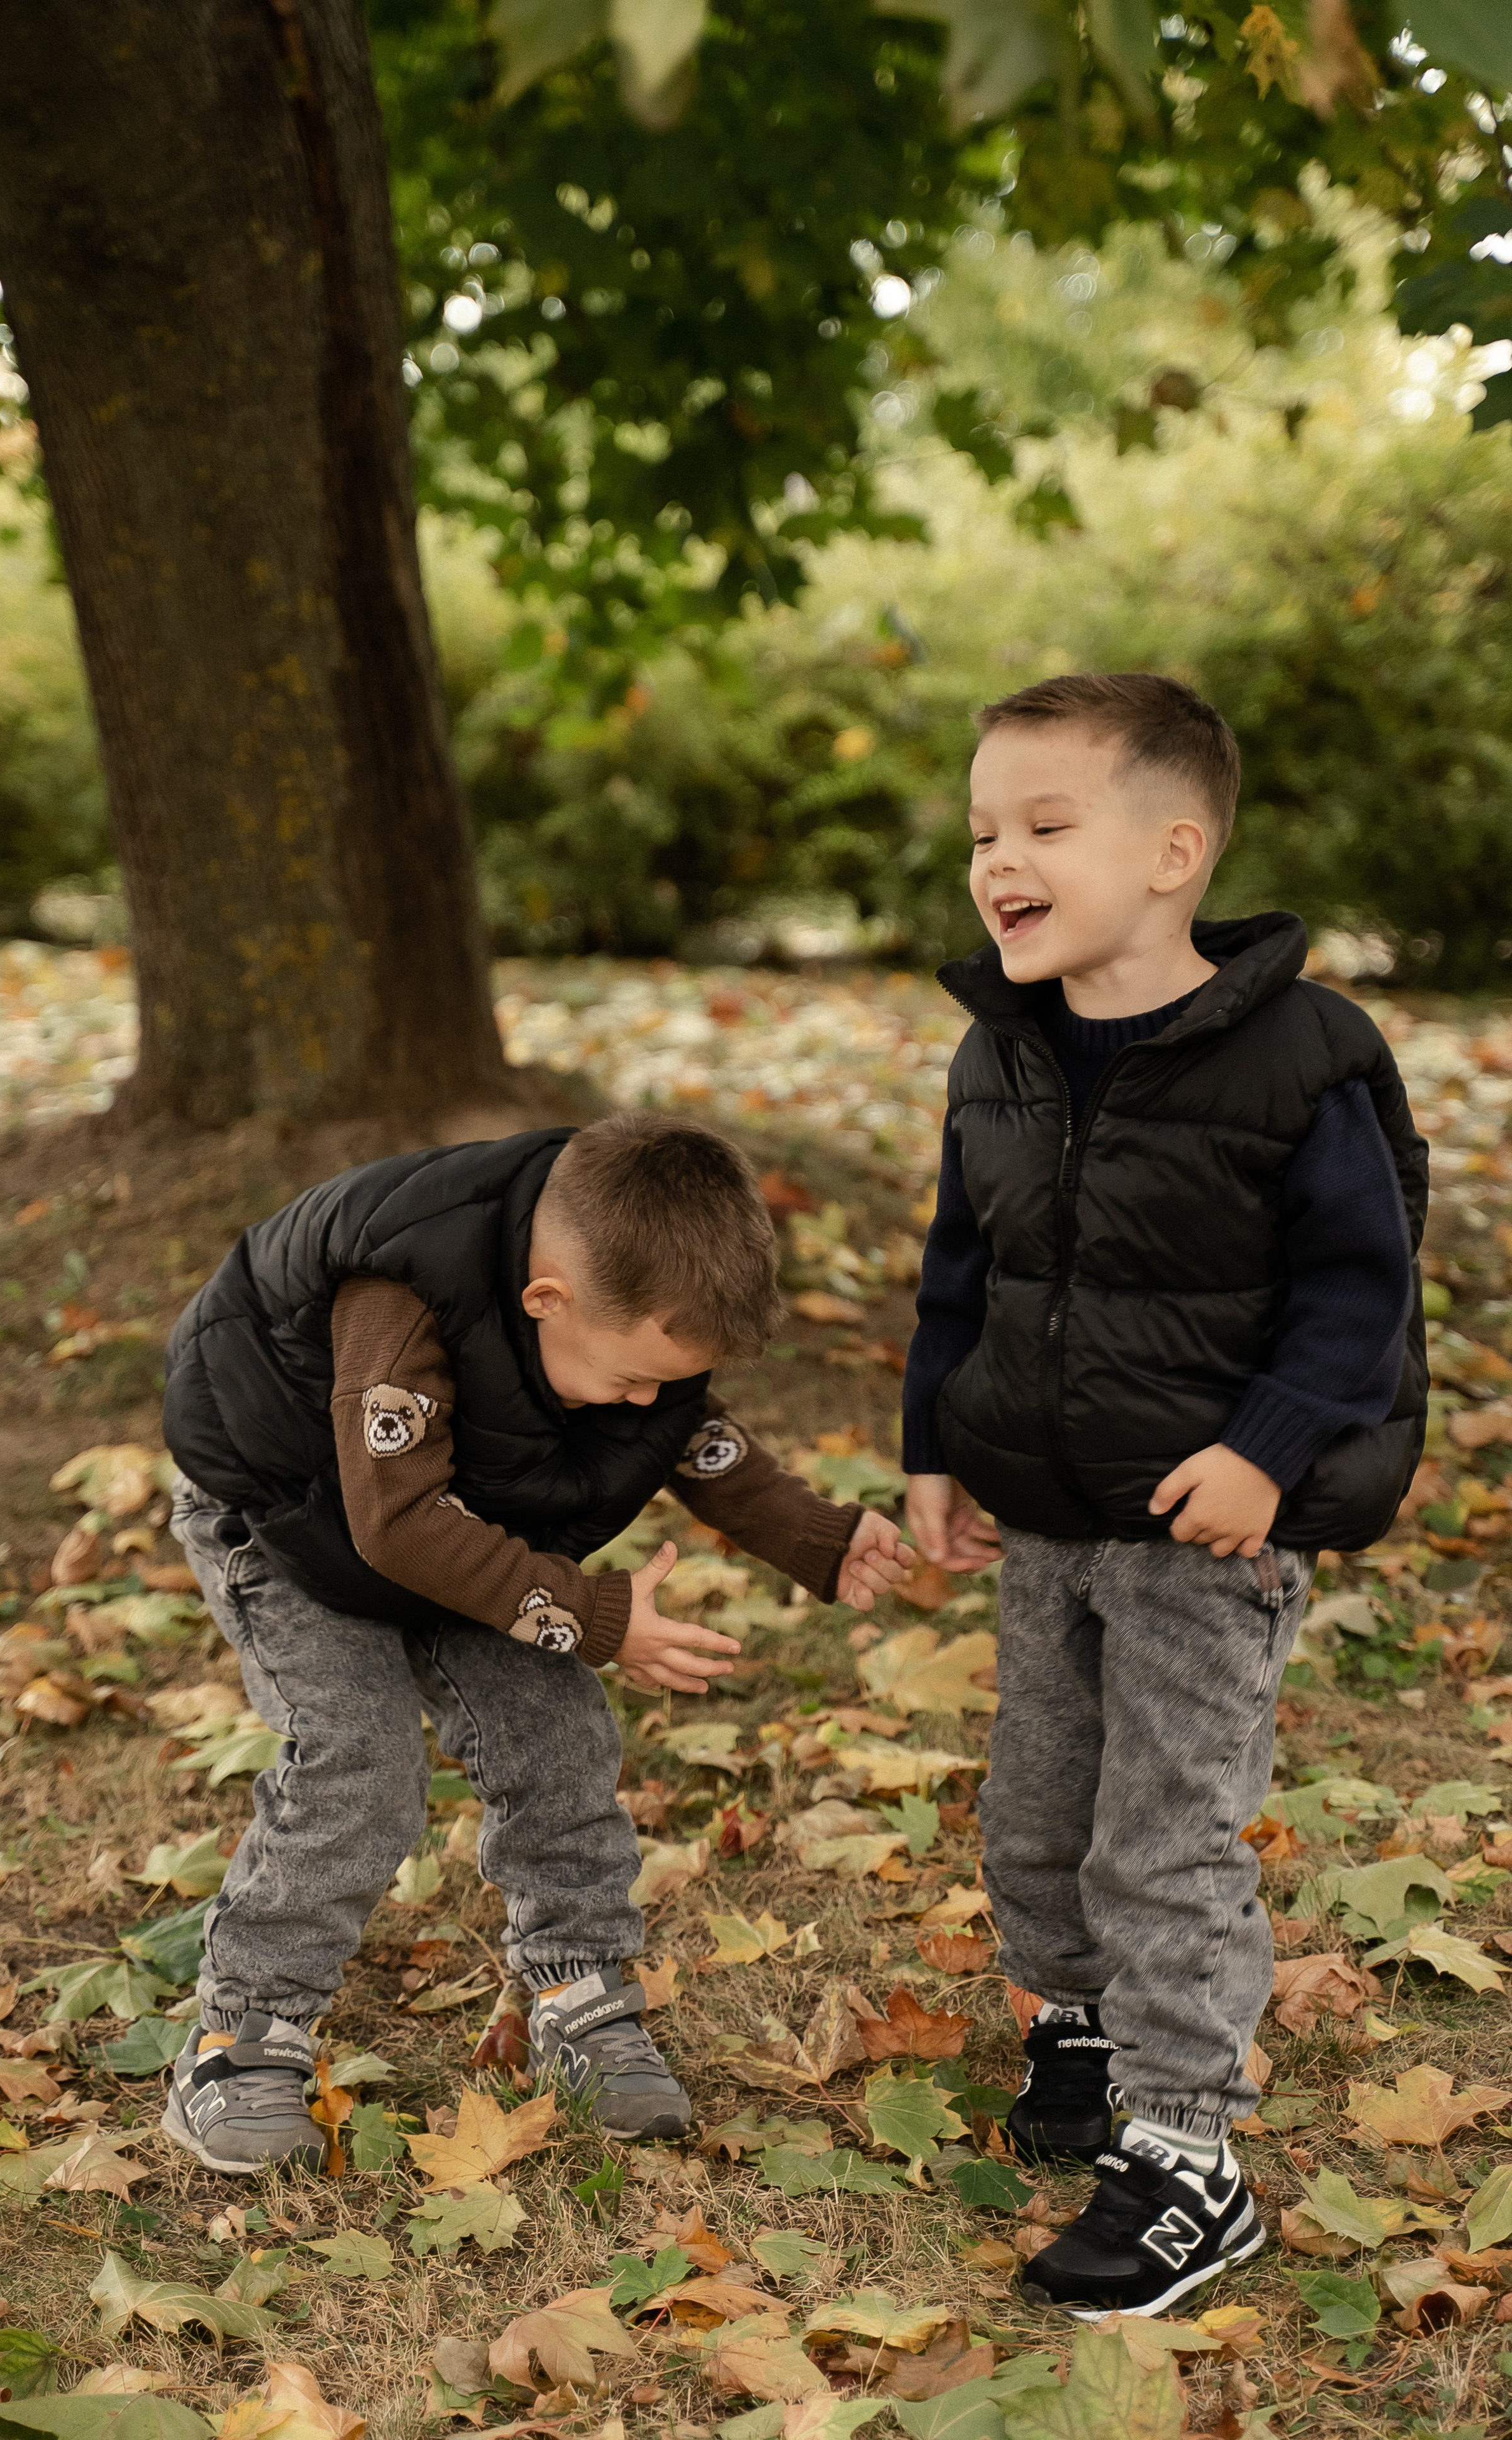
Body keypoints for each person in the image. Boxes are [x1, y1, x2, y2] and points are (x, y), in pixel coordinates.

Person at [903, 672, 1427, 2320]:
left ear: (1172, 852)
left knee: (1161, 1838)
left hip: (1209, 1533)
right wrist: (934, 1445)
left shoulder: (1301, 1059)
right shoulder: (1000, 1053)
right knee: (1038, 1813)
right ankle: (1080, 2034)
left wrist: (1264, 1449)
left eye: (1043, 826)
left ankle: (1190, 2152)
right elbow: (963, 1269)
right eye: (983, 833)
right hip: (1046, 1516)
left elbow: (1358, 1293)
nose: (999, 861)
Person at [158, 1111, 910, 2172]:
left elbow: (682, 1429)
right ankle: (241, 2037)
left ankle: (579, 1995)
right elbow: (395, 1525)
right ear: (544, 1299)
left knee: (556, 1733)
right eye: (631, 1378)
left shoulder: (615, 1311)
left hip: (461, 1517)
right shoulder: (400, 1296)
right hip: (295, 1521)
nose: (645, 1400)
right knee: (358, 1760)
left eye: (665, 1381)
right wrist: (594, 1617)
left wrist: (816, 1537)